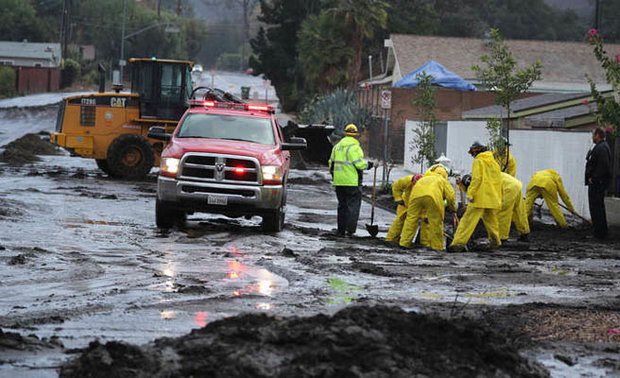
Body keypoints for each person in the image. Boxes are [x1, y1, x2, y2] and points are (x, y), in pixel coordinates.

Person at [448, 142, 502, 252]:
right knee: (492, 222)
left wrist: (470, 194)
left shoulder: (479, 161)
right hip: (492, 197)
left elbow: (476, 179)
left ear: (476, 152)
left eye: (473, 153)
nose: (472, 156)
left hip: (479, 198)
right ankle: (495, 241)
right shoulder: (494, 163)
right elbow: (497, 181)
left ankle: (457, 244)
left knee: (467, 221)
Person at [328, 124, 373, 237]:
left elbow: (331, 163)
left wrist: (334, 176)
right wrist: (370, 165)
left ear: (345, 134)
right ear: (356, 136)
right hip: (352, 181)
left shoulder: (337, 147)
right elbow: (359, 164)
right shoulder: (354, 147)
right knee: (353, 206)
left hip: (339, 181)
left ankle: (341, 230)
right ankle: (350, 230)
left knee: (342, 206)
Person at [399, 166, 456, 250]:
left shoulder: (423, 178)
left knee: (410, 221)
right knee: (435, 223)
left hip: (415, 197)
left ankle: (404, 243)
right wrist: (453, 209)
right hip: (432, 197)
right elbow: (451, 197)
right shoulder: (442, 180)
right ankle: (437, 247)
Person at [585, 127, 612, 239]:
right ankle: (599, 232)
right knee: (596, 207)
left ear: (597, 135)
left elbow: (603, 166)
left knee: (597, 208)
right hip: (596, 183)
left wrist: (594, 179)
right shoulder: (599, 147)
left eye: (593, 134)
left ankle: (600, 233)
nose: (592, 137)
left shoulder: (602, 148)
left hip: (598, 184)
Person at [385, 173, 423, 242]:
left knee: (412, 223)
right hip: (405, 203)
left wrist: (424, 215)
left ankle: (406, 241)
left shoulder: (425, 186)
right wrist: (398, 198)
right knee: (399, 221)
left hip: (416, 205)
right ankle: (390, 239)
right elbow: (396, 186)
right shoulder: (407, 180)